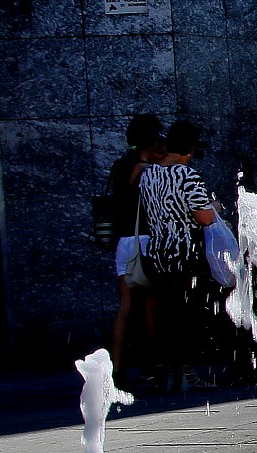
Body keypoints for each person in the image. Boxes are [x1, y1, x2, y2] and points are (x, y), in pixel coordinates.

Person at [136, 120, 218, 390]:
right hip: (185, 254)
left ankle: (165, 372)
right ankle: (188, 372)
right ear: (191, 148)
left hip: (158, 253)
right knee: (188, 315)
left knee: (166, 315)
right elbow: (204, 217)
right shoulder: (187, 176)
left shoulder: (148, 175)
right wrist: (213, 206)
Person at [105, 114, 163, 377]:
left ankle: (116, 367)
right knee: (151, 306)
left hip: (123, 241)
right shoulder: (145, 171)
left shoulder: (119, 166)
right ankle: (151, 366)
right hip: (144, 241)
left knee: (125, 307)